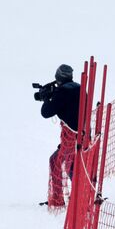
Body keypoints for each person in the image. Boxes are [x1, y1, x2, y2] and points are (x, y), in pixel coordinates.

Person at [38, 63, 81, 207]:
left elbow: (46, 112)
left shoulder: (62, 93)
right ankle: (78, 197)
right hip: (82, 134)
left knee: (64, 164)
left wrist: (46, 98)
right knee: (64, 162)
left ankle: (64, 199)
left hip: (72, 138)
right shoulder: (79, 88)